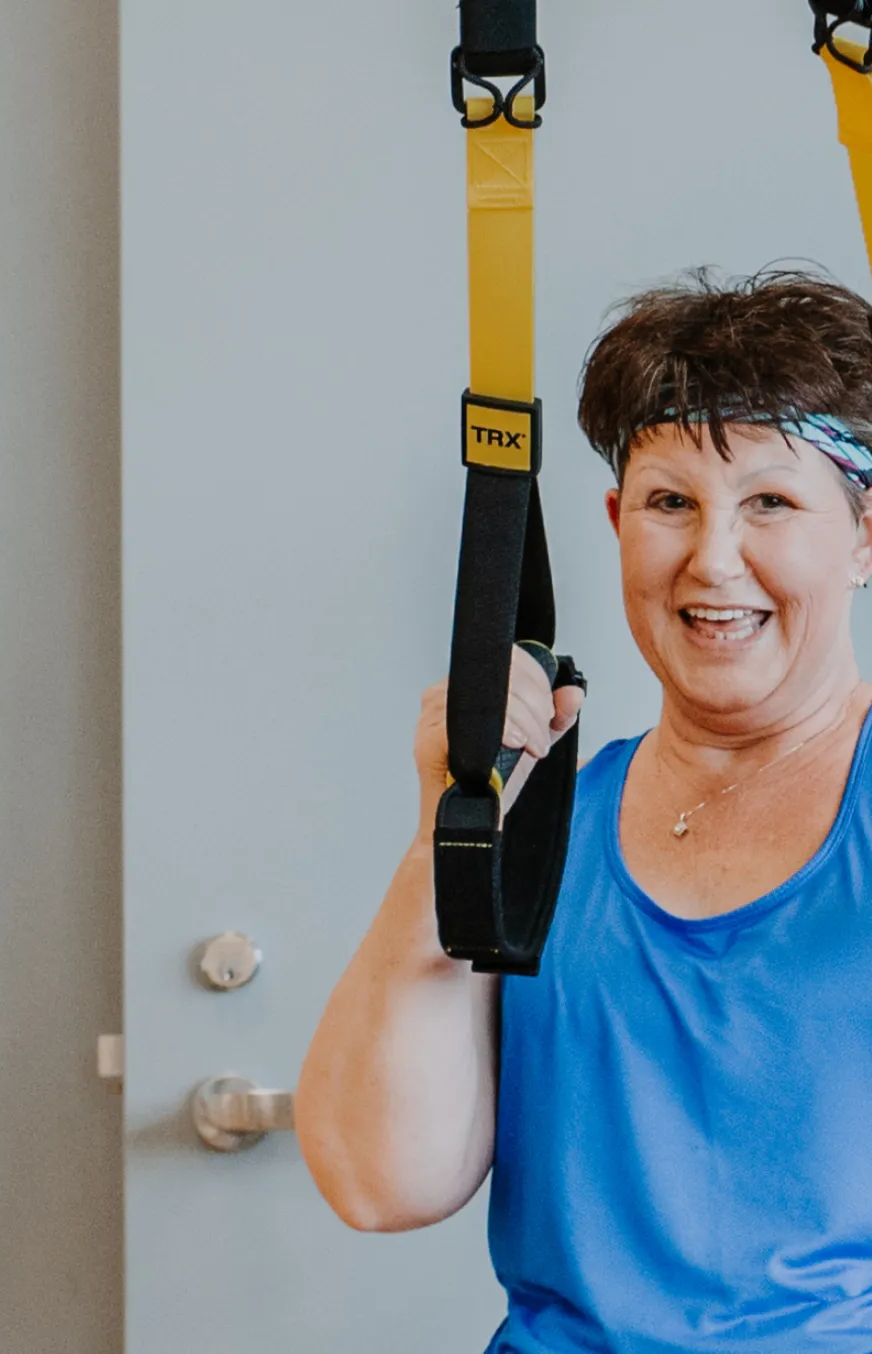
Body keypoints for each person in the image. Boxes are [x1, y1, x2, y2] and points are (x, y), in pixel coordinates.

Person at [294, 265, 872, 1351]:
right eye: (669, 503)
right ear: (616, 522)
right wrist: (447, 829)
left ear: (863, 535)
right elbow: (379, 1182)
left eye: (770, 502)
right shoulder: (548, 817)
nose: (712, 559)